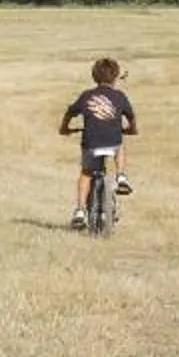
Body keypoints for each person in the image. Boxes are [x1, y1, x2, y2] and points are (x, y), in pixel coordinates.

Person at [59, 57, 138, 229]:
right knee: (120, 144)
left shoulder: (86, 96)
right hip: (113, 141)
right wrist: (132, 129)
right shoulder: (119, 96)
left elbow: (70, 112)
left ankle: (80, 211)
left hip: (91, 143)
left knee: (86, 174)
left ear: (94, 76)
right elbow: (131, 117)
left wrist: (64, 128)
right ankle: (121, 175)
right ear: (115, 77)